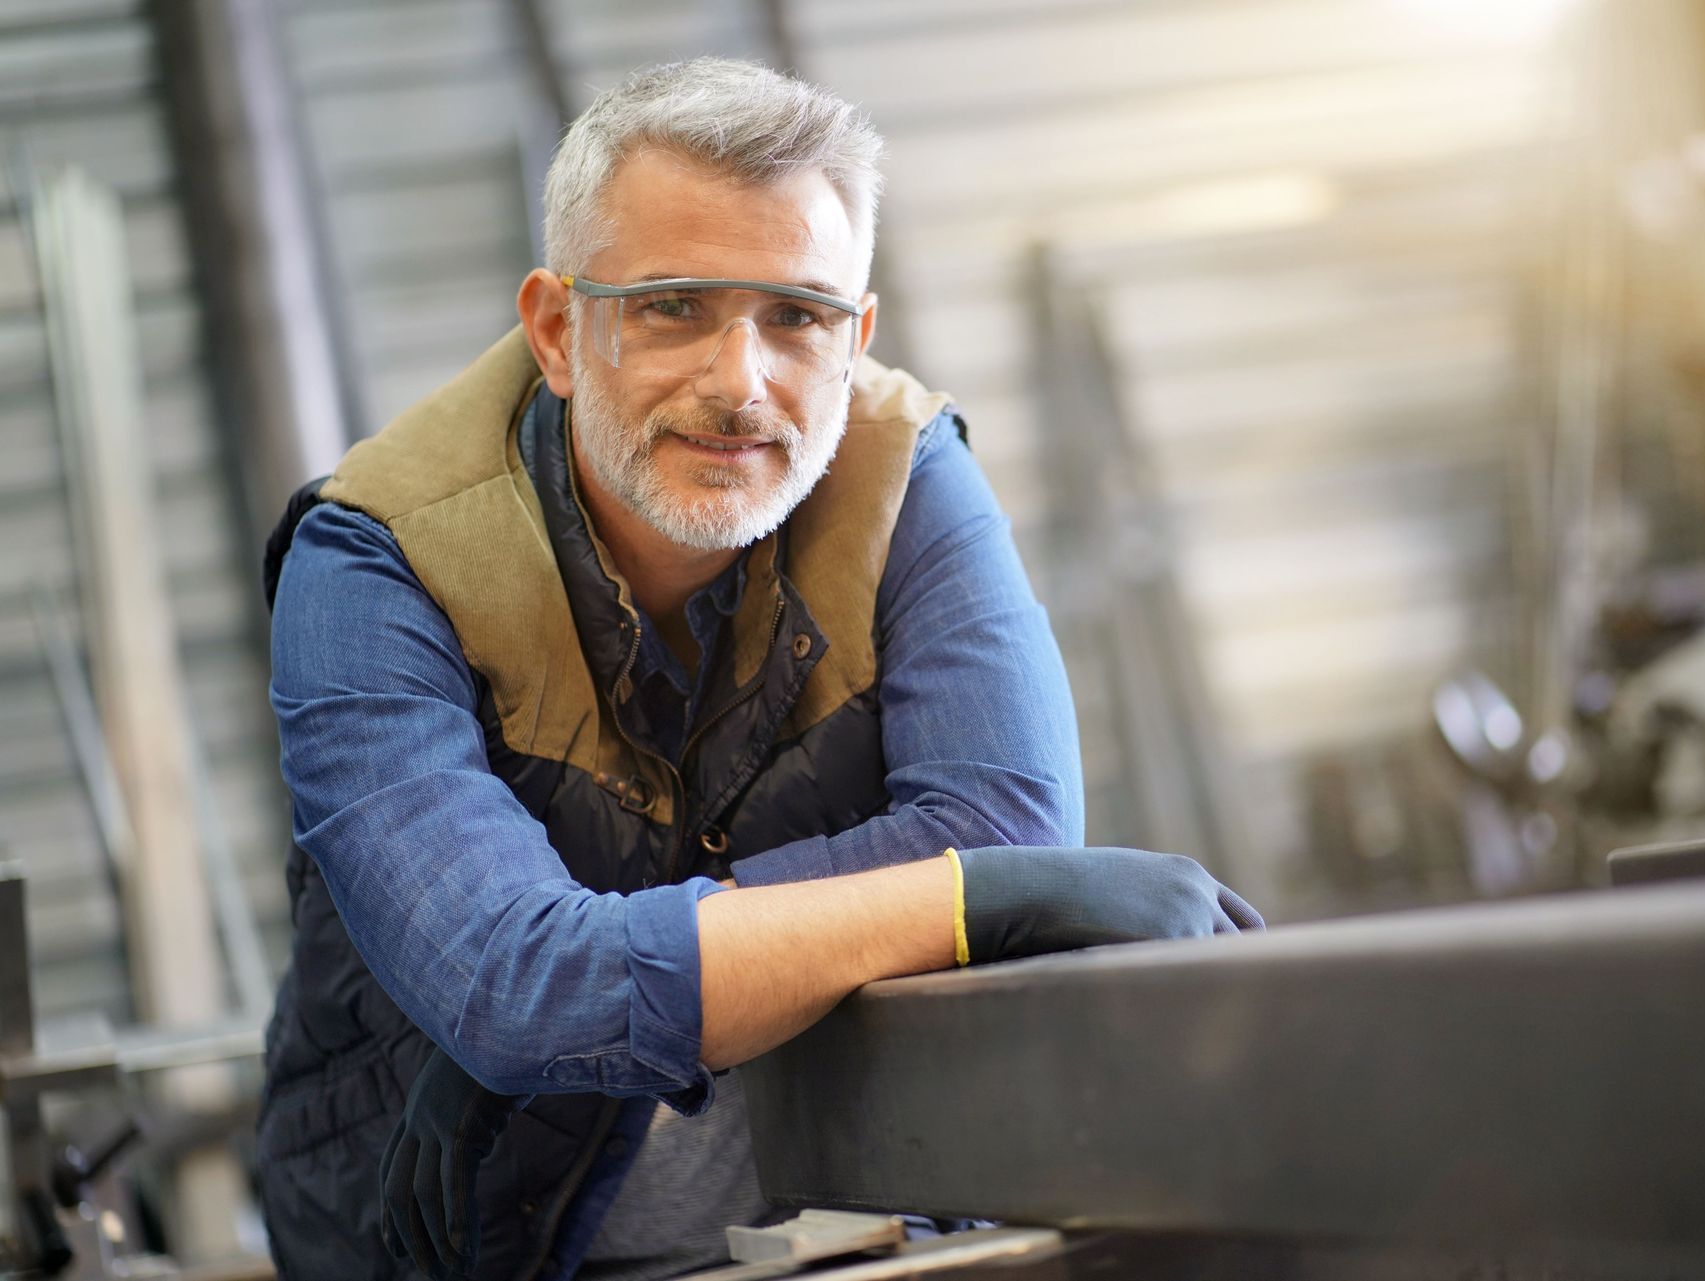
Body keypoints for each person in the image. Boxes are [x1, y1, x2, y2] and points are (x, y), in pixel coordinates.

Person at [255, 57, 1259, 1281]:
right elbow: (520, 988)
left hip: (842, 1223)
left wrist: (602, 970)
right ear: (561, 330)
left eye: (798, 316)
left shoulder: (902, 470)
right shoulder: (373, 560)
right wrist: (971, 902)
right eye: (674, 306)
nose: (743, 386)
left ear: (858, 335)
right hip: (463, 1250)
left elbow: (1001, 818)